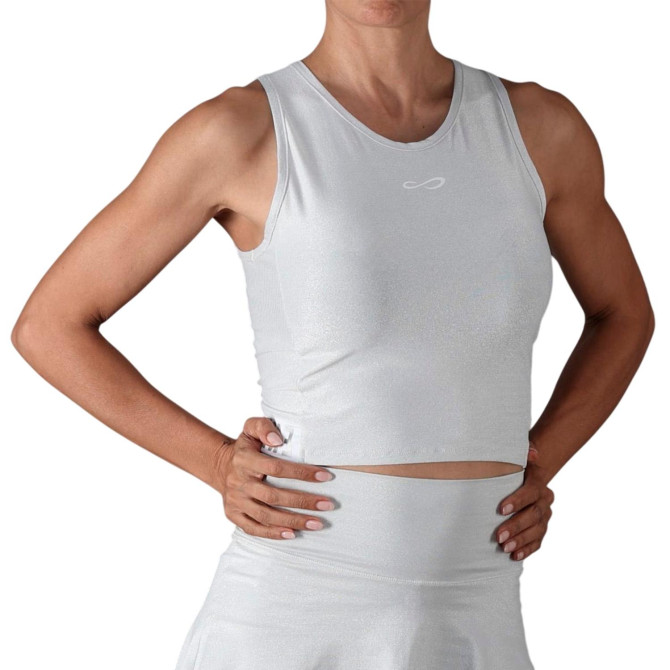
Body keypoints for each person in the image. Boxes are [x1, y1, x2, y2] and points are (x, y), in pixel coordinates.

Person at [11, 1, 654, 668]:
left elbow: (623, 313)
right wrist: (215, 463)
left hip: (478, 613)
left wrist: (541, 460)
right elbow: (50, 326)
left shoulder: (540, 130)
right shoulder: (240, 130)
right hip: (293, 607)